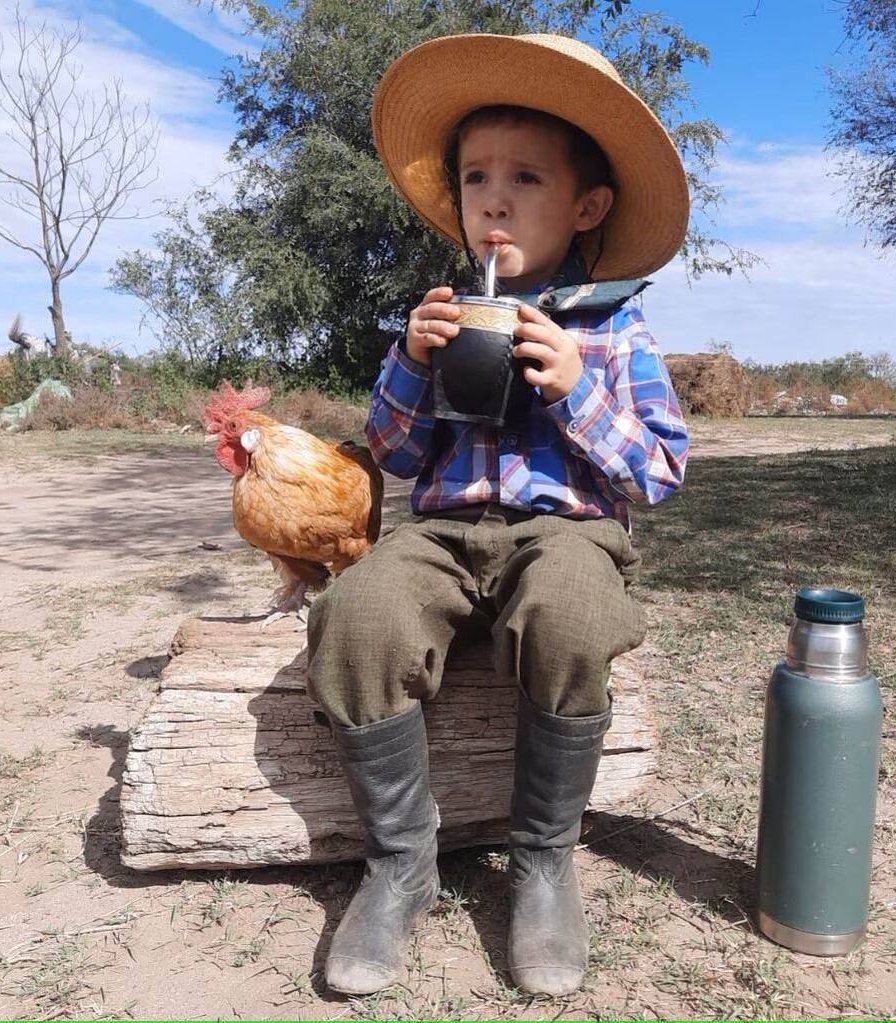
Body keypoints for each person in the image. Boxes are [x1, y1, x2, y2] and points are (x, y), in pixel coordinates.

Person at [306, 32, 690, 998]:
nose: (495, 197)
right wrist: (411, 362)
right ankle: (401, 863)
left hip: (565, 531)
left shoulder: (612, 324)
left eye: (526, 176)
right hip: (439, 532)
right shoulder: (438, 313)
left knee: (570, 609)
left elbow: (658, 471)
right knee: (358, 614)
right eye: (477, 177)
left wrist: (573, 388)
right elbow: (390, 457)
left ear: (586, 205)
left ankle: (543, 860)